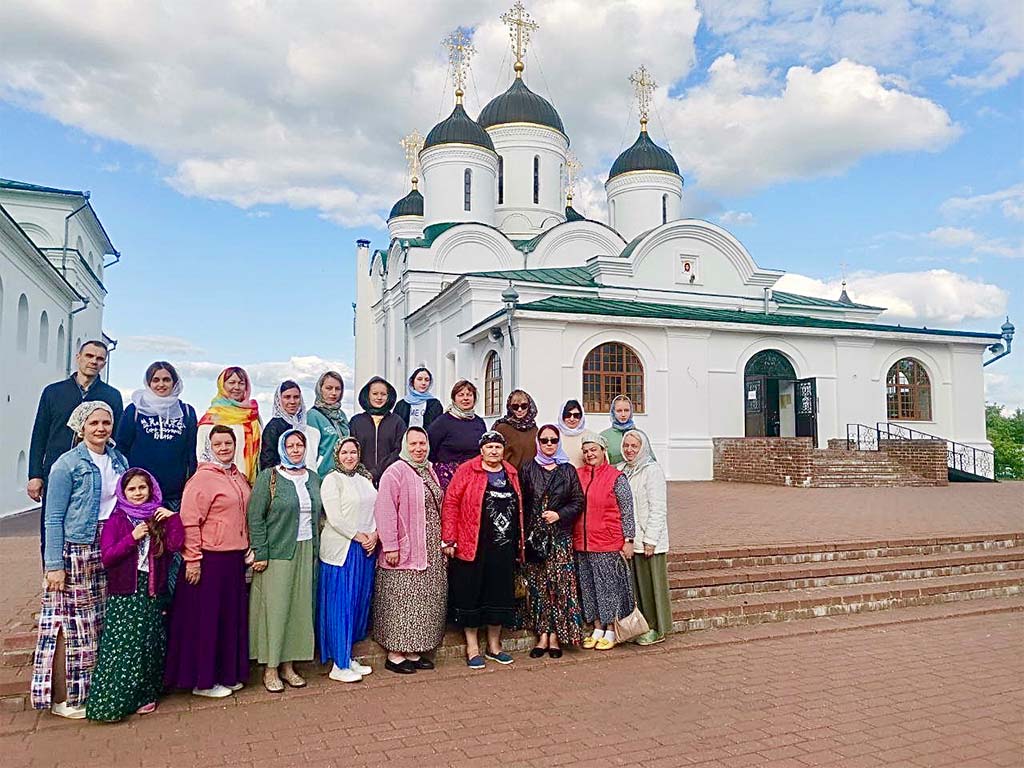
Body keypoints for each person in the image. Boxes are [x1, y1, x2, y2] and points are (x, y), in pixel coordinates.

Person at [31, 401, 128, 719]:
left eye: (106, 423)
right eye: (94, 423)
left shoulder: (118, 460)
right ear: (81, 427)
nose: (101, 428)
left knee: (98, 623)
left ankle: (93, 691)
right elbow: (53, 516)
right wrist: (54, 564)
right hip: (77, 548)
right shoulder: (66, 464)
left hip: (108, 545)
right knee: (71, 625)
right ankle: (66, 698)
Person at [87, 469, 183, 722]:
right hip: (125, 591)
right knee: (123, 646)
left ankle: (145, 695)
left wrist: (173, 520)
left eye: (143, 488)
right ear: (123, 492)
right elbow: (107, 556)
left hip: (151, 590)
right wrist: (132, 538)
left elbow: (175, 545)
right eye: (132, 489)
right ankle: (111, 703)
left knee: (148, 643)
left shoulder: (158, 516)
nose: (138, 493)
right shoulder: (116, 520)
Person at [164, 425, 252, 699]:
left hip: (233, 558)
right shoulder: (201, 480)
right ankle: (204, 679)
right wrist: (193, 560)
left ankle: (228, 672)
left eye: (228, 443)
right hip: (209, 558)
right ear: (209, 446)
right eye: (218, 444)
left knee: (228, 619)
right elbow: (190, 521)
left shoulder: (238, 477)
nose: (224, 448)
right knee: (206, 621)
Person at [28, 339, 123, 561]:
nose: (94, 362)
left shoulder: (111, 395)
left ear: (104, 363)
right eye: (89, 356)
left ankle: (85, 581)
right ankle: (51, 578)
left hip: (92, 471)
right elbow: (39, 434)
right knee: (52, 526)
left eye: (100, 359)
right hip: (57, 470)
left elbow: (115, 437)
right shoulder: (54, 392)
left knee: (90, 528)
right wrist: (35, 474)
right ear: (78, 357)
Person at [442, 431, 525, 670]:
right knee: (472, 594)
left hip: (503, 547)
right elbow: (451, 503)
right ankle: (472, 647)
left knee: (498, 594)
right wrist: (449, 538)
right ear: (481, 450)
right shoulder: (467, 470)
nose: (493, 451)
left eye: (497, 447)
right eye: (489, 447)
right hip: (472, 544)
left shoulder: (511, 472)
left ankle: (494, 646)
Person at [248, 429, 322, 692]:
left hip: (306, 549)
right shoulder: (270, 477)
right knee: (276, 610)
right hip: (278, 551)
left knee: (299, 609)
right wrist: (261, 551)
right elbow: (255, 517)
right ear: (282, 448)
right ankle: (270, 668)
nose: (295, 450)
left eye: (299, 445)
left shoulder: (312, 478)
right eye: (290, 446)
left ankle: (289, 665)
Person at [371, 428, 446, 675]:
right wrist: (391, 545)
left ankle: (414, 650)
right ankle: (395, 653)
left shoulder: (430, 470)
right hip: (404, 549)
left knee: (422, 602)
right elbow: (385, 510)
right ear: (405, 445)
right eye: (413, 444)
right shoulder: (395, 472)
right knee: (400, 601)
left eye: (422, 443)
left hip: (430, 549)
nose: (418, 448)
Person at [519, 425, 585, 657]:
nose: (549, 444)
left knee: (559, 587)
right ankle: (542, 636)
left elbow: (578, 501)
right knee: (538, 587)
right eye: (545, 440)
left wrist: (559, 515)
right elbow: (522, 503)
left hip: (559, 538)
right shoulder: (528, 468)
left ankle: (556, 636)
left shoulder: (567, 470)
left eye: (553, 440)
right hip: (536, 539)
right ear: (538, 442)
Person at [317, 437, 377, 683]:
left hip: (365, 549)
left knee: (356, 605)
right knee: (340, 604)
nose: (350, 457)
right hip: (342, 550)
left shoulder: (364, 480)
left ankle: (348, 656)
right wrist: (359, 536)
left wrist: (374, 535)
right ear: (337, 455)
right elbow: (334, 517)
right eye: (345, 452)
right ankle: (338, 664)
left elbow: (376, 508)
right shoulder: (332, 480)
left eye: (353, 452)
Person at [575, 431, 637, 651]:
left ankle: (611, 628)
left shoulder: (615, 476)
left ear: (603, 451)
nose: (590, 454)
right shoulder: (578, 475)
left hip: (607, 541)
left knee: (608, 587)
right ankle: (597, 627)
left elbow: (627, 510)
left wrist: (628, 539)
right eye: (586, 451)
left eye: (594, 450)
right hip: (582, 542)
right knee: (589, 586)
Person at [115, 361, 198, 511]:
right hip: (140, 494)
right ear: (148, 383)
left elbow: (191, 452)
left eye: (166, 379)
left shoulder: (187, 412)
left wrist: (189, 485)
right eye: (156, 380)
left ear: (174, 382)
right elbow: (121, 448)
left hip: (175, 495)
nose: (161, 384)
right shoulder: (135, 410)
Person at [618, 430, 672, 645]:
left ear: (643, 448)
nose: (629, 450)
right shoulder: (622, 470)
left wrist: (651, 539)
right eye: (626, 446)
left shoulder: (652, 470)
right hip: (632, 540)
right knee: (637, 587)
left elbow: (658, 508)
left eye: (634, 446)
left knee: (653, 586)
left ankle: (657, 628)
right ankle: (641, 626)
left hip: (650, 542)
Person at [196, 367, 262, 484]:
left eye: (241, 383)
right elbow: (203, 456)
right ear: (222, 385)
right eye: (231, 382)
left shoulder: (252, 415)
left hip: (249, 484)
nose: (236, 387)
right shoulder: (212, 418)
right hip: (218, 484)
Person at [427, 379, 487, 490]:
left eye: (469, 395)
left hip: (474, 475)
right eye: (461, 395)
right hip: (449, 477)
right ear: (454, 398)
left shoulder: (479, 422)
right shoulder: (442, 422)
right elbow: (430, 448)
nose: (465, 398)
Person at [349, 377, 406, 484]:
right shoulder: (356, 421)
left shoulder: (397, 422)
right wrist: (364, 474)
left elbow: (400, 451)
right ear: (368, 395)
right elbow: (352, 449)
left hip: (391, 477)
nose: (379, 397)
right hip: (361, 479)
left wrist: (376, 472)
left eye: (383, 394)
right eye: (375, 394)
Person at [259, 380, 321, 472]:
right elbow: (267, 461)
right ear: (279, 400)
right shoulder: (274, 427)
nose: (292, 401)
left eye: (296, 397)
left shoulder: (302, 425)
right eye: (287, 397)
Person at [306, 371, 350, 478]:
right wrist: (313, 483)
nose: (334, 393)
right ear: (320, 389)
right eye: (329, 388)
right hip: (323, 477)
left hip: (343, 477)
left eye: (338, 389)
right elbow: (309, 455)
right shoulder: (312, 416)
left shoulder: (341, 415)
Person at [491, 389, 538, 469]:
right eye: (515, 407)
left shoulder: (534, 429)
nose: (520, 410)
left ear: (529, 406)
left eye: (524, 406)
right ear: (510, 407)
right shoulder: (501, 428)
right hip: (508, 476)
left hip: (530, 477)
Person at [601, 395, 649, 466]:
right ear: (613, 412)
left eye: (626, 410)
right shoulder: (604, 436)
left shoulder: (640, 435)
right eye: (619, 411)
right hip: (614, 475)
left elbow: (649, 460)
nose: (623, 414)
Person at [557, 399, 587, 467]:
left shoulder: (589, 436)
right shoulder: (553, 435)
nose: (572, 419)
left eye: (576, 415)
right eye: (568, 415)